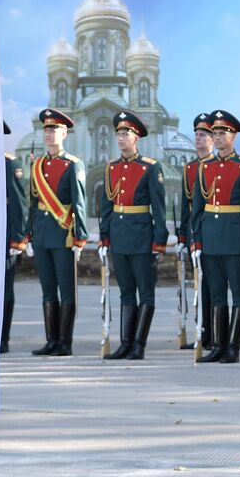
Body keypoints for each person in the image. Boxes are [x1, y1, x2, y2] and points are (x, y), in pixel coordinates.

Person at [192, 110, 240, 363]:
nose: (218, 137)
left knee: (239, 295)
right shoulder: (204, 168)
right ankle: (218, 346)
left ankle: (233, 346)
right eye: (215, 133)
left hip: (235, 239)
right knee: (217, 294)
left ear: (233, 136)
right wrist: (196, 241)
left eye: (223, 133)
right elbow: (197, 210)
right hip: (210, 239)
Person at [98, 111, 167, 360]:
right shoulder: (112, 168)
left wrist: (160, 241)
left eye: (125, 133)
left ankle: (139, 344)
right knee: (126, 291)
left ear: (136, 137)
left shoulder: (149, 167)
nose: (120, 137)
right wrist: (104, 237)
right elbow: (107, 205)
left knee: (145, 292)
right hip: (119, 236)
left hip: (141, 236)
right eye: (118, 133)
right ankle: (125, 343)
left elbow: (159, 208)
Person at [26, 108, 87, 356]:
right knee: (48, 289)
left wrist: (80, 237)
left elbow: (79, 202)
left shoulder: (73, 165)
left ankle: (65, 342)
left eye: (54, 130)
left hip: (64, 235)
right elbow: (32, 202)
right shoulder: (37, 164)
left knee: (66, 290)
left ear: (64, 133)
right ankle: (51, 341)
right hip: (41, 234)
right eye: (46, 130)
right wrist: (29, 234)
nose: (49, 134)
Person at [177, 113, 213, 351]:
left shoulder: (214, 166)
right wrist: (182, 236)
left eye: (203, 135)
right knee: (198, 284)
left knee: (211, 285)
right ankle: (201, 330)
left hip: (213, 229)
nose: (198, 138)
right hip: (193, 232)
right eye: (197, 134)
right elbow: (184, 205)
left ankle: (211, 333)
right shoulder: (190, 168)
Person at [2, 121, 28, 354]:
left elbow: (19, 203)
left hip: (3, 235)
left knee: (4, 288)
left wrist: (18, 240)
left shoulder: (10, 164)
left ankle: (2, 338)